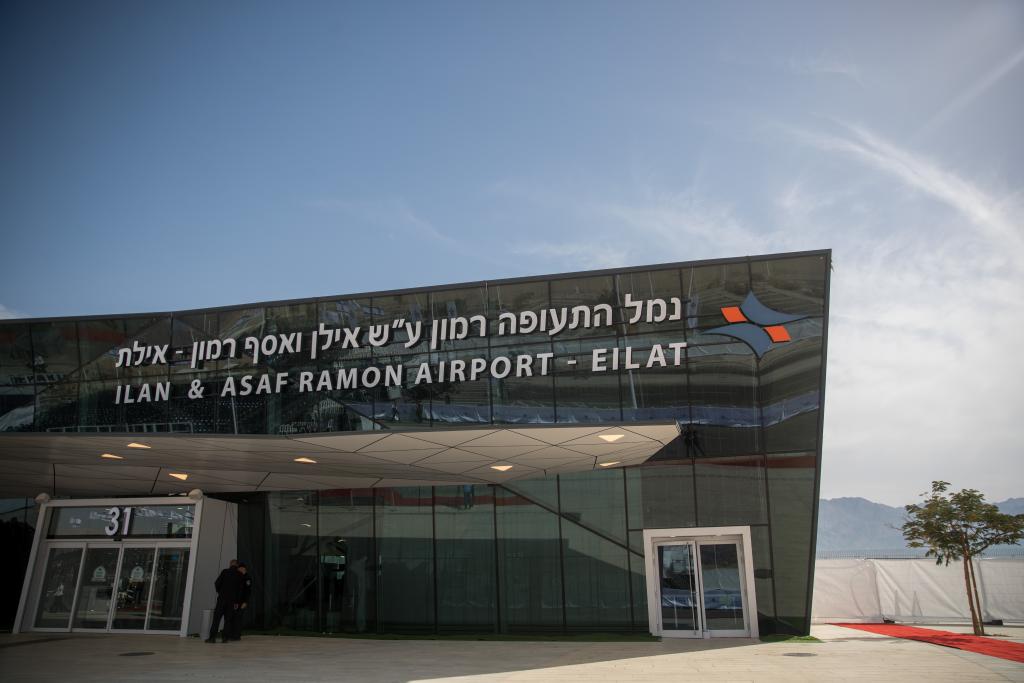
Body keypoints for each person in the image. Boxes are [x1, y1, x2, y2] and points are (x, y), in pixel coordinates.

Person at [206, 559, 241, 643]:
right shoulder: (239, 575)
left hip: (222, 599)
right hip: (232, 601)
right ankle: (225, 638)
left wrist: (220, 592)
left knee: (216, 619)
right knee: (228, 620)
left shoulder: (224, 572)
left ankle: (212, 638)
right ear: (237, 565)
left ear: (230, 564)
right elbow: (240, 590)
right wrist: (237, 601)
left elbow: (217, 583)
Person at [227, 563, 251, 641]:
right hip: (235, 601)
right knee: (233, 618)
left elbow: (248, 591)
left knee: (238, 618)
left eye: (241, 569)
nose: (240, 570)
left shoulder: (247, 578)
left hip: (241, 602)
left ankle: (236, 636)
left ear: (244, 569)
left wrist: (245, 602)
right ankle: (231, 634)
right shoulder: (238, 577)